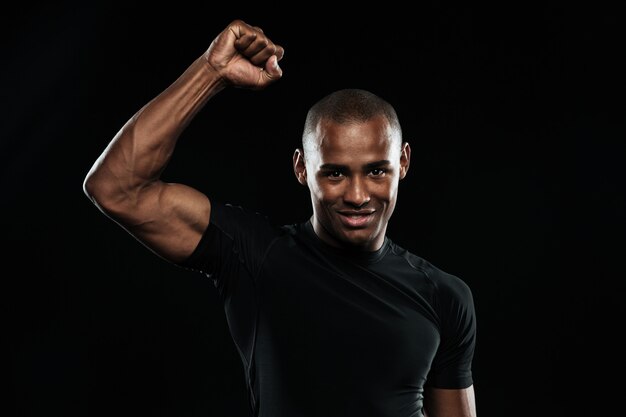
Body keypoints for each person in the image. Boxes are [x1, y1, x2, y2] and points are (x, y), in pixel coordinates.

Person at [83, 19, 478, 417]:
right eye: (335, 173)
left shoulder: (444, 295)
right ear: (302, 168)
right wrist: (211, 72)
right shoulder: (255, 256)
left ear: (403, 162)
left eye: (376, 171)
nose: (358, 196)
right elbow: (116, 188)